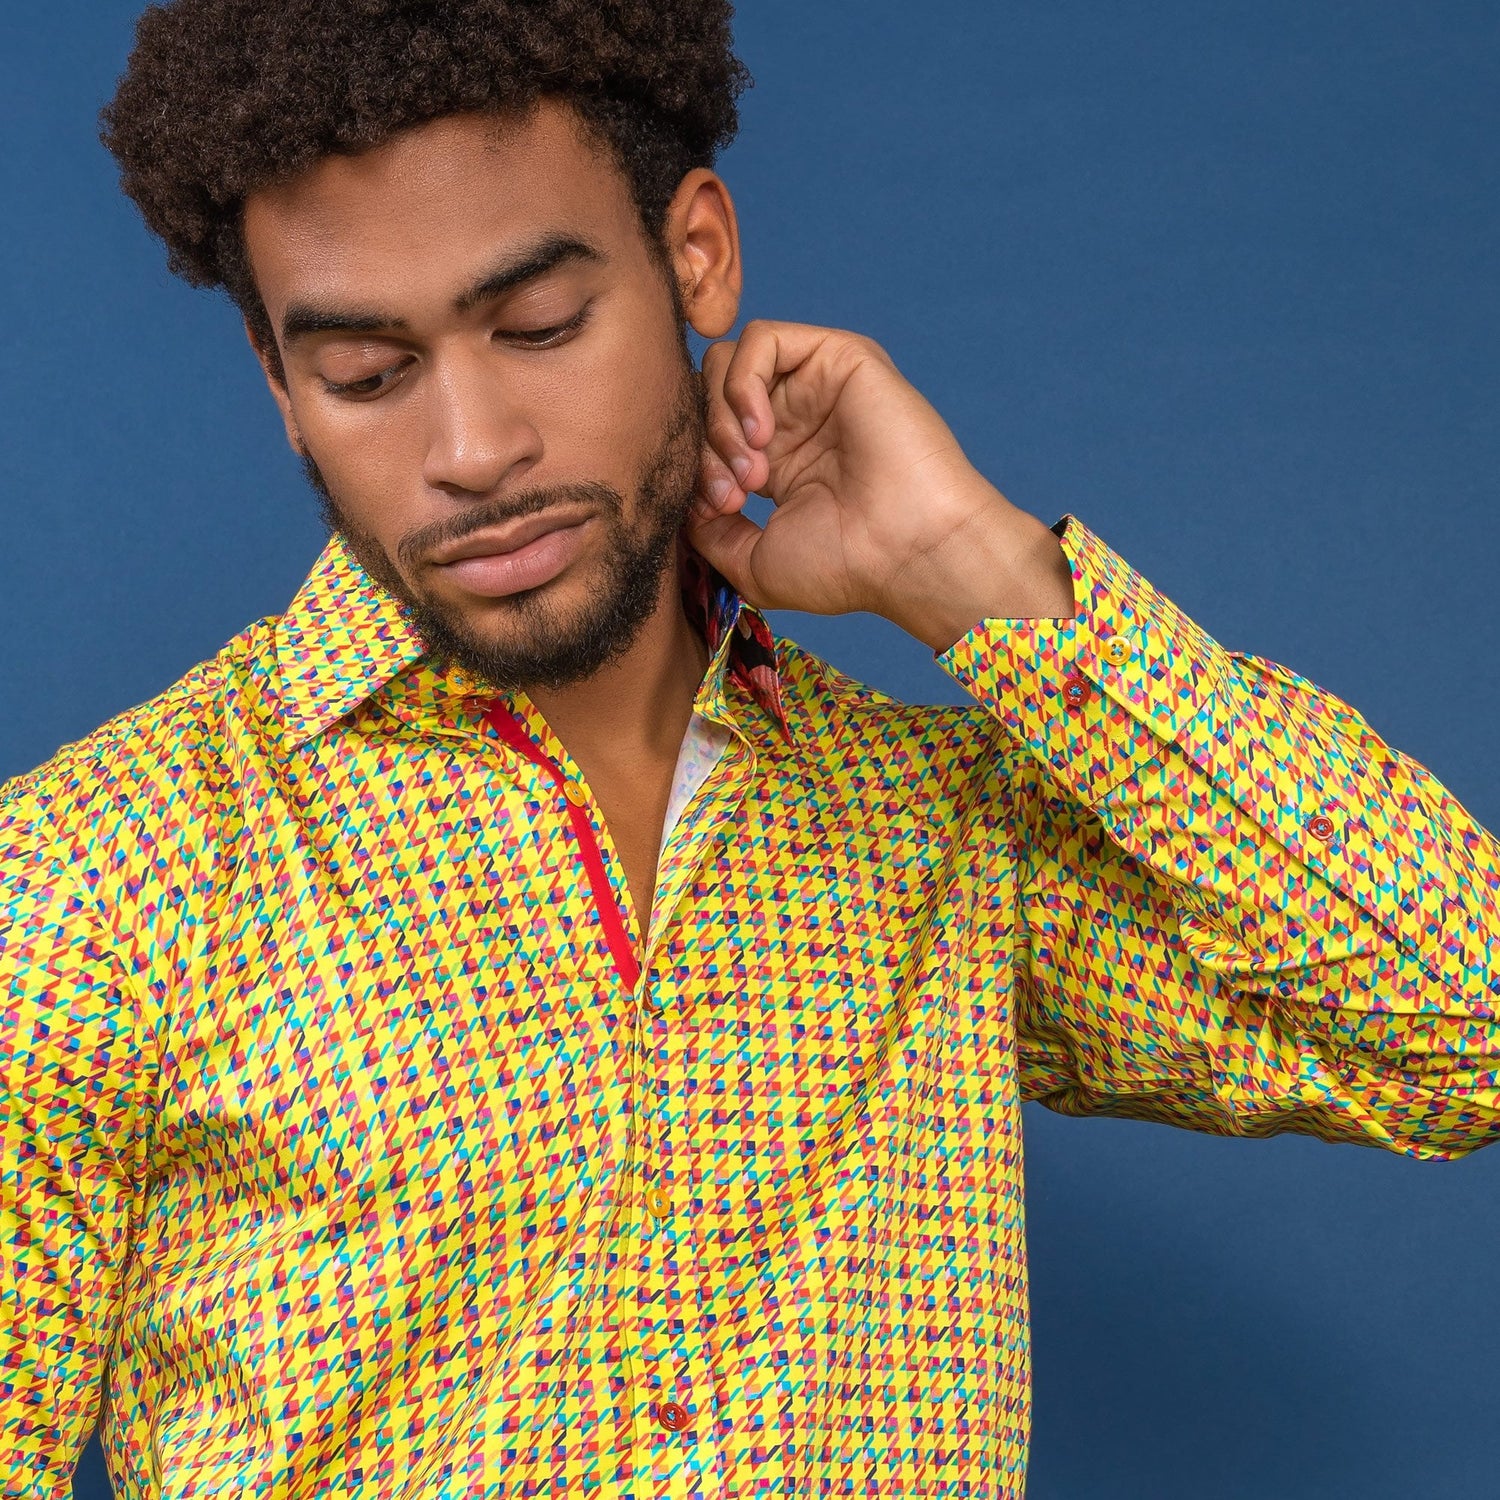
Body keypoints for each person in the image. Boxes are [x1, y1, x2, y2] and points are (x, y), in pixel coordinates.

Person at [2, 1, 1495, 1495]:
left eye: (538, 327)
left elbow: (1464, 1028)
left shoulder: (937, 835)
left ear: (695, 256)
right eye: (366, 374)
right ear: (280, 388)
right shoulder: (87, 881)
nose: (472, 446)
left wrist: (982, 571)